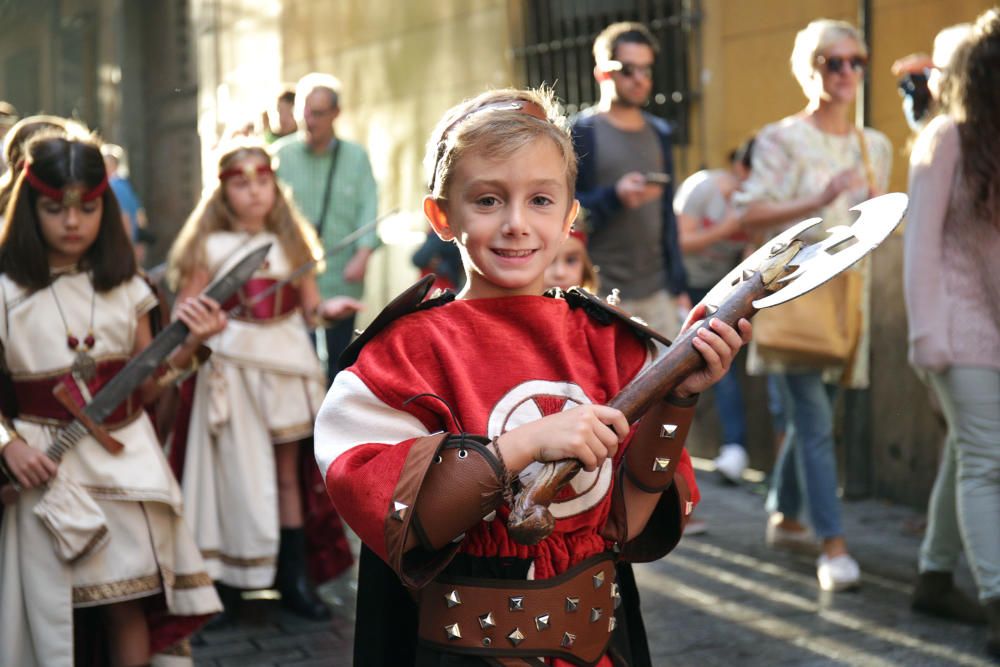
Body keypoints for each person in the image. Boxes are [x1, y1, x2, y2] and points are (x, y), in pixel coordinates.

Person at [313, 87, 750, 666]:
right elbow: (406, 522)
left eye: (541, 200)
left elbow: (627, 522)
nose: (517, 224)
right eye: (489, 200)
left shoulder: (611, 339)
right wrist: (525, 445)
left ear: (571, 215)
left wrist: (678, 400)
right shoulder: (402, 353)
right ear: (442, 215)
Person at [0, 132, 223, 666]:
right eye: (55, 209)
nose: (72, 222)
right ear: (31, 208)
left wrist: (192, 344)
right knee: (49, 613)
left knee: (128, 606)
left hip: (129, 465)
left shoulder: (130, 287)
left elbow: (145, 385)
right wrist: (7, 446)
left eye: (89, 207)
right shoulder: (4, 289)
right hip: (43, 471)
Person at [167, 141, 359, 622]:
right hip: (232, 372)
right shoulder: (205, 248)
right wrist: (202, 331)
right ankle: (229, 581)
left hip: (287, 368)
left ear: (274, 184)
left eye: (262, 179)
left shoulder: (290, 240)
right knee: (235, 475)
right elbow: (183, 322)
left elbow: (309, 308)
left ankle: (292, 578)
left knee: (286, 477)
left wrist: (326, 310)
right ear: (222, 190)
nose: (254, 191)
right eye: (240, 182)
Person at [734, 18, 892, 591]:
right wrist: (819, 198)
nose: (847, 72)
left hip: (850, 302)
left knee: (814, 418)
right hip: (799, 297)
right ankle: (834, 545)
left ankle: (784, 511)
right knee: (818, 423)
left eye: (856, 61)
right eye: (834, 61)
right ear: (810, 68)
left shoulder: (874, 145)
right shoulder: (782, 138)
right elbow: (748, 215)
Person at [904, 10, 1000, 656]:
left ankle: (934, 576)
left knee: (968, 454)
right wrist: (925, 335)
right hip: (954, 330)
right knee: (988, 461)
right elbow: (920, 246)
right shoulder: (944, 139)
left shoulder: (991, 140)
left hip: (989, 326)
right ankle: (998, 600)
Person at [571, 21, 690, 339]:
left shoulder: (660, 132)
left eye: (646, 70)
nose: (639, 79)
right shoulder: (582, 133)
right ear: (602, 73)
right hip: (599, 292)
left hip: (658, 290)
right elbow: (564, 213)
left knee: (670, 387)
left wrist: (677, 284)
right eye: (628, 70)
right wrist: (614, 197)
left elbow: (667, 215)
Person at [273, 73, 379, 383]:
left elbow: (368, 206)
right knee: (300, 358)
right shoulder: (281, 156)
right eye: (305, 111)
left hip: (341, 273)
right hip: (293, 275)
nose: (309, 120)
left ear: (335, 114)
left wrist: (363, 255)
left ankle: (334, 421)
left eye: (318, 113)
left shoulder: (356, 157)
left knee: (340, 362)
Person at [674, 139, 755, 484]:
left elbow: (750, 261)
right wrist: (730, 225)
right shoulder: (703, 189)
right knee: (671, 369)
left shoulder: (760, 206)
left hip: (718, 292)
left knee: (721, 366)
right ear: (742, 168)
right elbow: (679, 242)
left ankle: (734, 450)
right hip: (680, 286)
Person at [101, 143, 151, 265]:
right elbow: (141, 218)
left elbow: (125, 219)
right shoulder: (125, 186)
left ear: (113, 165)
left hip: (118, 249)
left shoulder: (114, 186)